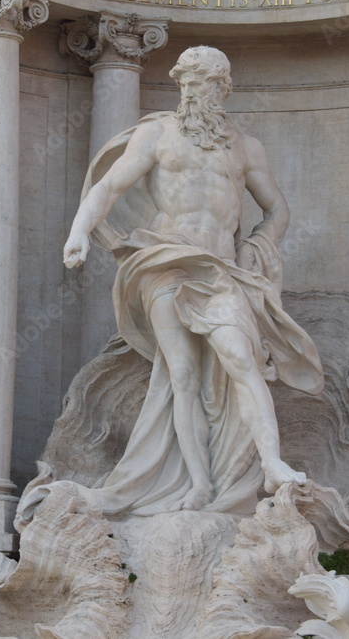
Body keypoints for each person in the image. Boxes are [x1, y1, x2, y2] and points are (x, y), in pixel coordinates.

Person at [55, 46, 323, 516]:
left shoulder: (245, 146)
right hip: (165, 261)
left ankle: (273, 464)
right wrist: (79, 230)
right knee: (181, 375)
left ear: (225, 87)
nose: (198, 91)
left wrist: (257, 245)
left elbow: (277, 208)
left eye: (208, 83)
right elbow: (111, 187)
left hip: (219, 269)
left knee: (242, 359)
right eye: (190, 83)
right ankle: (198, 483)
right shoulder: (157, 134)